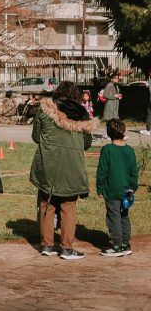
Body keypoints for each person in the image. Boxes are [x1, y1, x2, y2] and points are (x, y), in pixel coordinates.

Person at [29, 81, 97, 260]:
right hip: (71, 165)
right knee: (68, 206)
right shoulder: (82, 115)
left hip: (48, 163)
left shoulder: (45, 111)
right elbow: (87, 143)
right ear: (76, 95)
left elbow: (36, 136)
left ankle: (47, 245)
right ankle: (66, 248)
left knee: (47, 203)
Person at [96, 119, 138, 256]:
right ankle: (125, 244)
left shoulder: (107, 150)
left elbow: (102, 171)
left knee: (113, 217)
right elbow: (133, 171)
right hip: (127, 190)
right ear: (123, 131)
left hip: (111, 190)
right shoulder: (130, 150)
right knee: (124, 216)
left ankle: (116, 245)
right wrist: (133, 187)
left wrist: (99, 188)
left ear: (108, 133)